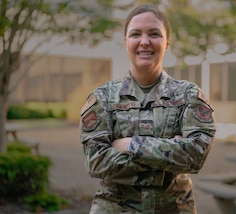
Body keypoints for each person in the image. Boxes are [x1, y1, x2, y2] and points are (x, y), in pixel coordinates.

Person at [79, 4, 216, 214]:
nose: (145, 41)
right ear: (126, 42)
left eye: (154, 34)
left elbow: (195, 156)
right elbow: (96, 162)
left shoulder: (188, 95)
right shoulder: (102, 98)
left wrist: (132, 144)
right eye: (135, 34)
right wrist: (170, 153)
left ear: (167, 43)